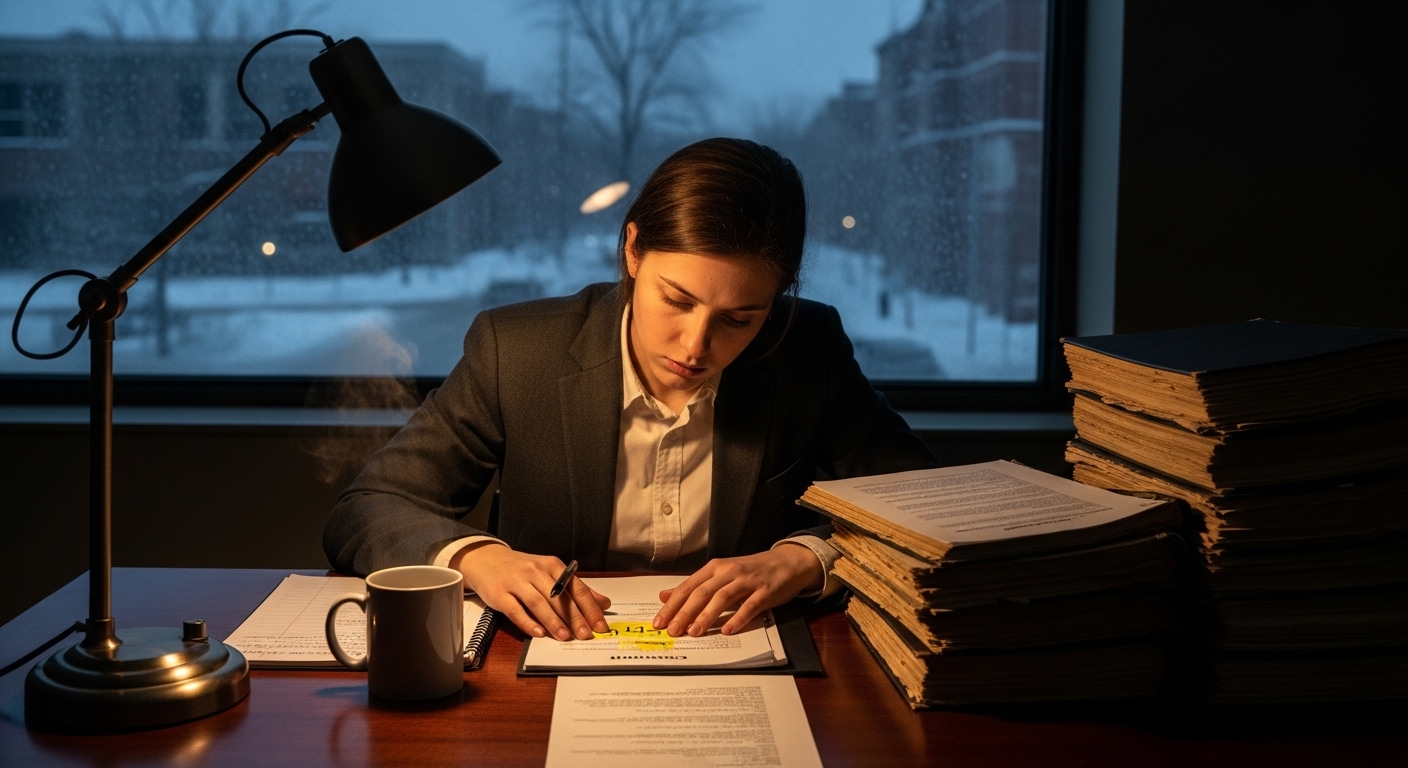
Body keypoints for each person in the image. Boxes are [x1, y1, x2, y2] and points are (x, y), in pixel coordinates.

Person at [323, 137, 937, 644]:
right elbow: (368, 508)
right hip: (548, 668)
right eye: (677, 300)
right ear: (634, 250)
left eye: (739, 319)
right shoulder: (517, 350)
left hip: (745, 665)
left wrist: (807, 559)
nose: (697, 346)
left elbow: (926, 505)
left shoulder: (807, 347)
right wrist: (476, 557)